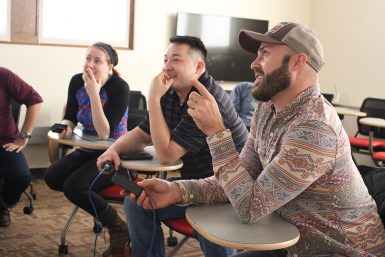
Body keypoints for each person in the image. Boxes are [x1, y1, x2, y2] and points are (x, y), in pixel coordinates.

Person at [129, 22, 385, 257]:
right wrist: (177, 190)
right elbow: (240, 183)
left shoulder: (315, 128)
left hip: (340, 250)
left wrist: (218, 134)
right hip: (295, 242)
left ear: (297, 61)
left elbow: (250, 207)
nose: (254, 63)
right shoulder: (266, 109)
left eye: (265, 54)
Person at [97, 35, 248, 257]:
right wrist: (114, 149)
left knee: (209, 227)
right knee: (138, 203)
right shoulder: (170, 92)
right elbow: (142, 133)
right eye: (165, 60)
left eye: (175, 60)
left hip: (229, 192)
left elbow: (167, 155)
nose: (167, 67)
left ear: (198, 67)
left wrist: (152, 99)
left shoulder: (205, 99)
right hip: (195, 186)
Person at [44, 42, 130, 257]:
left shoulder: (119, 87)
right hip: (88, 150)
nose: (89, 64)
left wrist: (94, 94)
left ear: (109, 66)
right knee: (52, 176)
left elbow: (104, 132)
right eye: (87, 58)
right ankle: (92, 195)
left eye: (97, 60)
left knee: (74, 187)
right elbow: (71, 116)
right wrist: (67, 125)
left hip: (115, 154)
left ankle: (118, 227)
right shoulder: (76, 81)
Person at [0, 67, 42, 227]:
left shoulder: (3, 75)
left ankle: (3, 205)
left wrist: (23, 136)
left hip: (4, 143)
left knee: (20, 176)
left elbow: (35, 100)